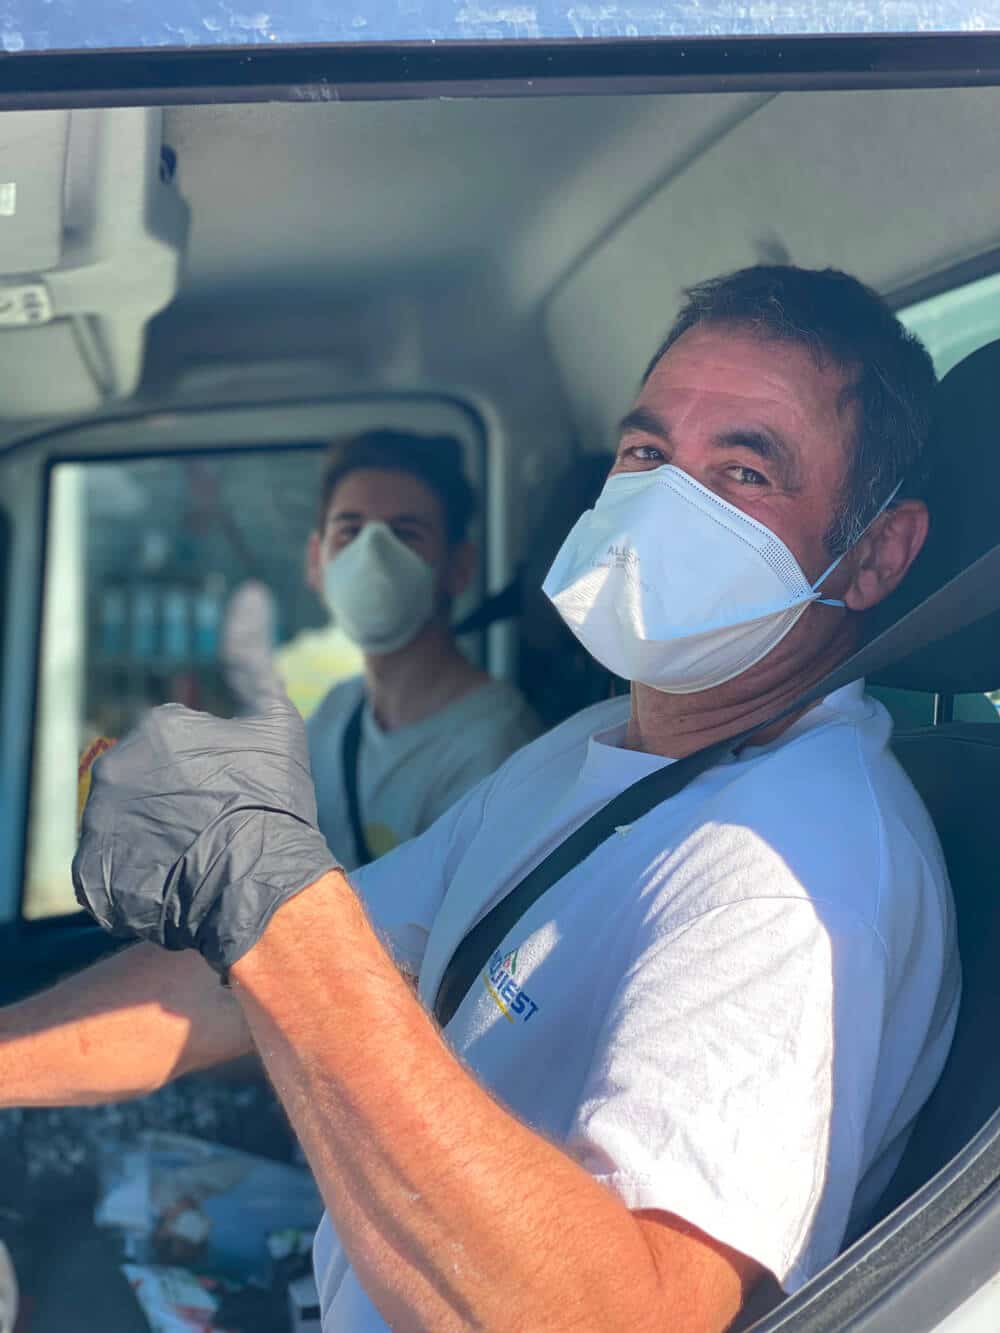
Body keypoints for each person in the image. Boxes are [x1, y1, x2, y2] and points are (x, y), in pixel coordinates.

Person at [3, 266, 960, 1333]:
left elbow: (628, 1316)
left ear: (874, 554)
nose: (665, 505)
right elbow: (250, 978)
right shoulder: (589, 750)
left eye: (743, 471)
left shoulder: (798, 866)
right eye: (648, 455)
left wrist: (274, 902)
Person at [294, 430, 539, 866]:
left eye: (405, 534)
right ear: (317, 560)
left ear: (458, 567)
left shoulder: (493, 746)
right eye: (350, 531)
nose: (372, 554)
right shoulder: (336, 714)